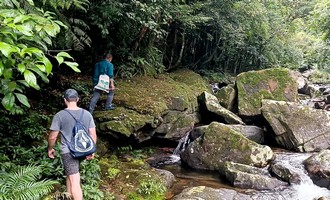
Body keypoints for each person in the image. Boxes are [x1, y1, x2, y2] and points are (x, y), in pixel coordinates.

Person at [48, 89, 97, 200]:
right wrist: (91, 150)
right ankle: (68, 198)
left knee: (75, 181)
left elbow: (52, 137)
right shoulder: (87, 114)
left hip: (69, 152)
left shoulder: (60, 115)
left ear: (65, 100)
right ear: (77, 99)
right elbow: (93, 135)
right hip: (83, 150)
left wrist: (50, 148)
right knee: (70, 175)